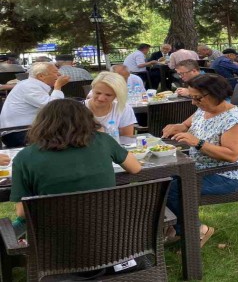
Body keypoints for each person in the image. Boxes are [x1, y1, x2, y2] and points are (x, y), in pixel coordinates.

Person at [10, 99, 141, 237]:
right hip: (106, 233)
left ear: (42, 123)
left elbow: (22, 212)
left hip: (53, 241)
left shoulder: (24, 157)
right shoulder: (103, 141)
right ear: (86, 119)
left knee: (14, 228)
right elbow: (135, 167)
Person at [162, 74, 238, 246]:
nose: (193, 102)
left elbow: (232, 155)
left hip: (227, 175)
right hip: (198, 169)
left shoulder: (233, 120)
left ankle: (195, 231)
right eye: (192, 97)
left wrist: (198, 143)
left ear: (214, 94)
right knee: (160, 180)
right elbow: (187, 125)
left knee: (172, 187)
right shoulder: (204, 109)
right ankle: (176, 228)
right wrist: (177, 126)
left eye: (197, 98)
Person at [0, 62, 69, 128]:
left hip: (30, 128)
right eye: (55, 72)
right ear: (41, 76)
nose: (59, 74)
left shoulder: (31, 84)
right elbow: (54, 107)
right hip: (19, 130)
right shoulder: (29, 86)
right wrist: (58, 87)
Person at [85, 72, 138, 137]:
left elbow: (127, 138)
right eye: (98, 93)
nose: (101, 98)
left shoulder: (123, 108)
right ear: (92, 90)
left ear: (117, 95)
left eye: (108, 95)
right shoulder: (78, 109)